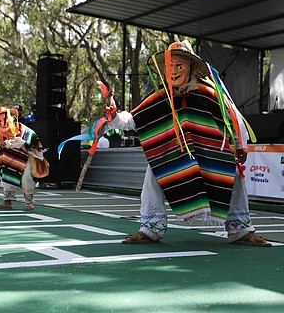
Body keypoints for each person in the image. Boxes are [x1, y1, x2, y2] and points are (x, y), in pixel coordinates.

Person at [104, 39, 270, 247]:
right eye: (170, 66)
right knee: (153, 174)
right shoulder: (160, 97)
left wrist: (239, 145)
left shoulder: (209, 94)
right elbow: (131, 120)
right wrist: (113, 116)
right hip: (172, 153)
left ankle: (241, 229)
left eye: (179, 66)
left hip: (207, 150)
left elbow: (232, 119)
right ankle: (150, 228)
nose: (173, 71)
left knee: (232, 173)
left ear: (190, 68)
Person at [0, 106, 46, 210]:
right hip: (10, 157)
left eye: (4, 118)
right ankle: (7, 201)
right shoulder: (0, 131)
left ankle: (29, 202)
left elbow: (22, 142)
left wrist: (7, 143)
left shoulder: (21, 128)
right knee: (7, 175)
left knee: (26, 177)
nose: (1, 122)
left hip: (27, 156)